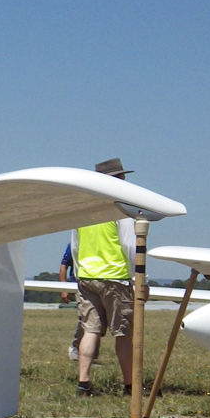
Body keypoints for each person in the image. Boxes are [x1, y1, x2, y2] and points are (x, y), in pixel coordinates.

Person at [71, 158, 137, 397]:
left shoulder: (84, 209)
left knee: (90, 330)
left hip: (87, 276)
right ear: (117, 180)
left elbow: (75, 246)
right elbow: (130, 244)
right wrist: (140, 278)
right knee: (123, 333)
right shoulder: (121, 207)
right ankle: (131, 385)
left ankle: (84, 382)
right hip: (116, 277)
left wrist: (79, 273)